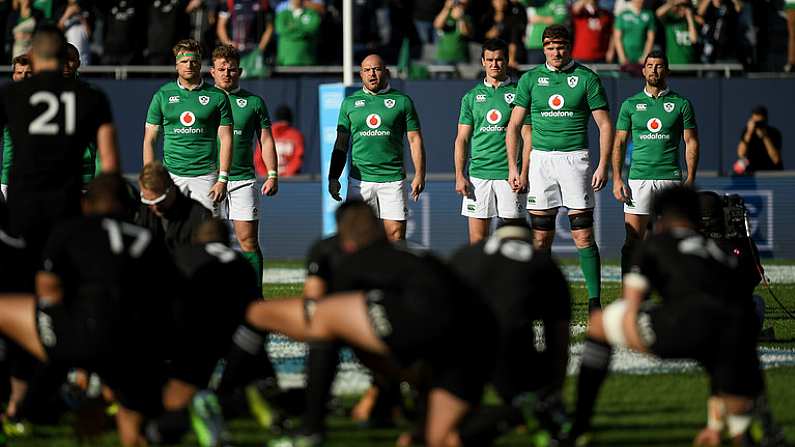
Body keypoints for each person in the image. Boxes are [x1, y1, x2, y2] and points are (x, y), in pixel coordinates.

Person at [228, 200, 492, 447]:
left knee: (317, 318)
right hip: (476, 339)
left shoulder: (353, 262)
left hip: (426, 330)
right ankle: (517, 414)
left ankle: (307, 424)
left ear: (346, 240)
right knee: (438, 438)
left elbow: (318, 316)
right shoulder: (420, 256)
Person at [569, 186, 785, 447]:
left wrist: (640, 342)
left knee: (601, 323)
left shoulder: (657, 244)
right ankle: (744, 429)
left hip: (678, 326)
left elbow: (631, 304)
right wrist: (714, 425)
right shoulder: (722, 251)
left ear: (660, 219)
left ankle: (578, 425)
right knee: (736, 405)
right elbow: (737, 308)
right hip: (731, 335)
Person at [0, 173, 180, 447]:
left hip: (74, 336)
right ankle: (109, 404)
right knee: (134, 434)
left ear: (86, 205)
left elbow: (48, 291)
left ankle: (19, 403)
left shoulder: (69, 229)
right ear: (128, 207)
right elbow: (166, 300)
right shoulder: (147, 238)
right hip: (130, 346)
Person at [505, 24, 613, 313]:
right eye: (550, 47)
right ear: (543, 48)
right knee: (540, 237)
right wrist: (514, 167)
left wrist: (603, 165)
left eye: (561, 47)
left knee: (583, 234)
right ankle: (542, 296)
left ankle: (593, 301)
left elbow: (605, 125)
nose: (556, 52)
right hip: (540, 161)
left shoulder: (587, 78)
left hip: (575, 160)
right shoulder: (529, 79)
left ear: (569, 47)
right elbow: (514, 126)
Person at [447, 220, 572, 446]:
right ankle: (529, 411)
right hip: (510, 347)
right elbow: (558, 341)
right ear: (529, 240)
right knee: (525, 400)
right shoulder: (544, 263)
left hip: (460, 349)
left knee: (446, 424)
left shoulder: (464, 255)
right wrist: (552, 390)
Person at [0, 25, 120, 255]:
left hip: (21, 203)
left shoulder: (10, 94)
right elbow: (110, 160)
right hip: (68, 201)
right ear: (65, 57)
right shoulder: (92, 97)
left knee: (23, 276)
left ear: (33, 54)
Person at [612, 51, 700, 276]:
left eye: (659, 66)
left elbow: (690, 141)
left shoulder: (681, 104)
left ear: (667, 71)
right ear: (643, 71)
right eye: (650, 66)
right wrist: (617, 177)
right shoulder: (630, 104)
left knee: (675, 240)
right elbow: (620, 142)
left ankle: (674, 293)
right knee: (633, 238)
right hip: (638, 179)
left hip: (669, 179)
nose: (654, 70)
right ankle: (629, 293)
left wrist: (690, 178)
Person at [327, 53, 427, 241]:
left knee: (395, 235)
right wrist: (333, 177)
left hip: (392, 179)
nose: (372, 74)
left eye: (376, 69)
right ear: (361, 75)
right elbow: (341, 144)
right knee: (358, 237)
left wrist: (420, 174)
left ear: (386, 72)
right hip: (360, 181)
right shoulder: (349, 103)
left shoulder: (402, 101)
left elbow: (415, 140)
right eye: (367, 70)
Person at [209, 44, 278, 289]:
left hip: (242, 180)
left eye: (232, 69)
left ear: (240, 71)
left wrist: (272, 174)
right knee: (208, 240)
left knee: (247, 241)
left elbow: (266, 139)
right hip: (207, 180)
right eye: (222, 69)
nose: (227, 73)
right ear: (212, 72)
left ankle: (254, 296)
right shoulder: (202, 99)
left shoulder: (253, 102)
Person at [143, 38, 234, 216]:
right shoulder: (162, 95)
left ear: (201, 64)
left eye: (194, 61)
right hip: (171, 175)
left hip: (206, 176)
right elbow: (150, 139)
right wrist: (150, 178)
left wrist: (223, 178)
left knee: (206, 231)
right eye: (184, 61)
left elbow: (226, 138)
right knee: (169, 230)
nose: (189, 65)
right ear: (177, 65)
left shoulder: (218, 96)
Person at [455, 38, 531, 244]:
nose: (494, 64)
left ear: (507, 60)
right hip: (478, 176)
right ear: (482, 62)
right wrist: (460, 175)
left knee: (514, 240)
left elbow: (527, 135)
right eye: (489, 60)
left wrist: (523, 173)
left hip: (509, 176)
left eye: (499, 59)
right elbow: (462, 139)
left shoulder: (519, 93)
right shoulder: (471, 97)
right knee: (478, 241)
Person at [135, 161, 212, 254]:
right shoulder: (141, 212)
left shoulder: (200, 216)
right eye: (147, 202)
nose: (154, 207)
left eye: (159, 201)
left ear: (171, 188)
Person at [0, 54, 33, 202]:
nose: (23, 77)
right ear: (13, 75)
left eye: (28, 73)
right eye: (19, 73)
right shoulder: (5, 101)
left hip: (36, 178)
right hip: (8, 178)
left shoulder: (48, 103)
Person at [734, 105, 782, 174]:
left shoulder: (774, 133)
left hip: (769, 167)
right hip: (753, 167)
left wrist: (765, 137)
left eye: (760, 122)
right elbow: (741, 154)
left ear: (766, 121)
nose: (758, 125)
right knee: (739, 165)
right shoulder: (747, 132)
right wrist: (749, 133)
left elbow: (776, 159)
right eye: (755, 122)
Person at [274, 0, 321, 66]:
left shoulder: (311, 13)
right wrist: (302, 29)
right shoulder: (282, 14)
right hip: (286, 61)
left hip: (307, 60)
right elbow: (281, 30)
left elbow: (313, 28)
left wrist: (292, 28)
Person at [524, 0, 569, 64]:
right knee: (535, 72)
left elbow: (561, 19)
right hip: (533, 45)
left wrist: (539, 19)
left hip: (554, 45)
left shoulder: (558, 1)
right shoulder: (533, 2)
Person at [613, 0, 656, 65]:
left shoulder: (649, 15)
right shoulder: (622, 15)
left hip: (641, 57)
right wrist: (622, 56)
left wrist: (645, 56)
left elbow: (651, 37)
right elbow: (617, 37)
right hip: (626, 57)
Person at [656, 0, 699, 64]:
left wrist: (689, 17)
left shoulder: (693, 21)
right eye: (680, 6)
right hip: (672, 64)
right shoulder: (670, 20)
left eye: (685, 6)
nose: (682, 8)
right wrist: (674, 2)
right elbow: (658, 13)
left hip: (689, 64)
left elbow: (694, 39)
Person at [268, 104, 304, 177]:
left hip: (270, 179)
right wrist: (287, 173)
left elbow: (258, 159)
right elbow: (299, 157)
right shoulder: (296, 135)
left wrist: (269, 175)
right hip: (290, 180)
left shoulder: (268, 133)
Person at [433, 0, 473, 65]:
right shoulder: (446, 16)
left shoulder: (467, 17)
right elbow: (437, 25)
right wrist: (447, 7)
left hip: (461, 56)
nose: (459, 6)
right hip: (443, 57)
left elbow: (465, 33)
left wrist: (461, 18)